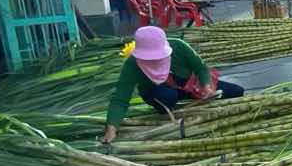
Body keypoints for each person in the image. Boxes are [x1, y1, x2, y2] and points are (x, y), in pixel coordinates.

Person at [101, 26, 244, 143]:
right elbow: (120, 98)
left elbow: (201, 68)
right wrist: (111, 128)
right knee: (168, 96)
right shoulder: (133, 64)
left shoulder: (179, 46)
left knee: (236, 91)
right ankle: (169, 110)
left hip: (189, 85)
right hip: (158, 93)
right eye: (149, 58)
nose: (154, 61)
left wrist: (207, 86)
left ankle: (189, 101)